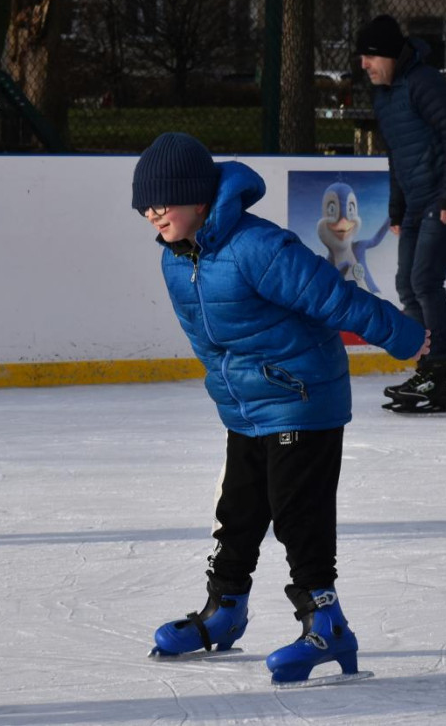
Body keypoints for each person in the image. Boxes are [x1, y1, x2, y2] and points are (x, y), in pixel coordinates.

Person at [131, 132, 430, 684]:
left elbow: (335, 297)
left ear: (198, 198)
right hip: (246, 407)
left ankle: (328, 624)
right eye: (144, 204)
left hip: (301, 396)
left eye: (163, 201)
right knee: (239, 510)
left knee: (298, 514)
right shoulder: (177, 260)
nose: (152, 213)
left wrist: (404, 336)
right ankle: (224, 612)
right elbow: (211, 342)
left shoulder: (258, 248)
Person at [357, 14, 446, 413]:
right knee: (407, 285)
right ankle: (428, 369)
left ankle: (442, 373)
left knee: (425, 281)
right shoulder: (385, 97)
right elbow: (396, 155)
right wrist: (397, 209)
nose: (364, 64)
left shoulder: (426, 83)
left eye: (371, 56)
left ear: (392, 55)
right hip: (415, 203)